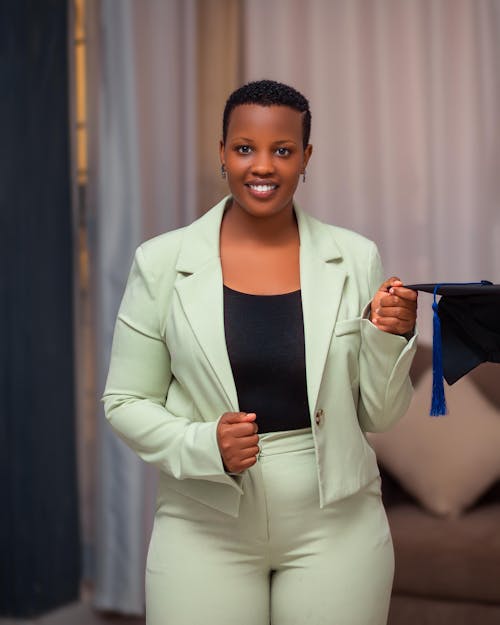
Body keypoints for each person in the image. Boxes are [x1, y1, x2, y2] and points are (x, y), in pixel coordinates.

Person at [103, 79, 418, 625]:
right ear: (222, 154)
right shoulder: (160, 262)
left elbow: (381, 415)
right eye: (244, 148)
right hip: (203, 520)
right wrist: (205, 443)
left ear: (306, 158)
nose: (263, 166)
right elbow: (125, 400)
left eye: (283, 150)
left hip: (336, 522)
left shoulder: (355, 257)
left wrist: (391, 338)